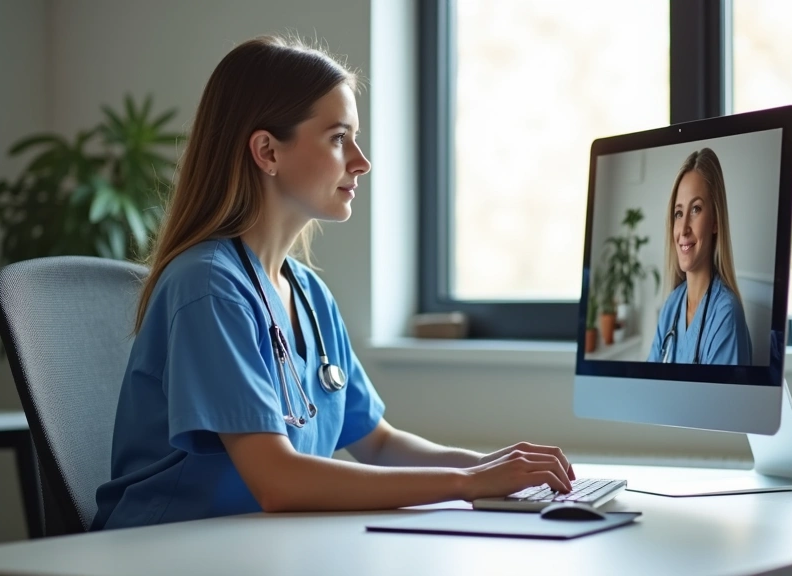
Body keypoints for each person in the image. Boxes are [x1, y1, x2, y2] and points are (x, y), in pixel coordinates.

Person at [90, 35, 575, 531]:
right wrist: (466, 486)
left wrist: (489, 467)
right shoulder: (209, 287)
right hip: (166, 548)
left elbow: (379, 443)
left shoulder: (306, 292)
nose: (361, 161)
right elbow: (279, 482)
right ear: (266, 150)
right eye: (339, 138)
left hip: (256, 545)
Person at [646, 148, 752, 365]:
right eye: (678, 213)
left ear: (715, 221)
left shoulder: (725, 315)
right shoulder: (671, 307)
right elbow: (647, 388)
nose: (683, 228)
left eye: (695, 209)